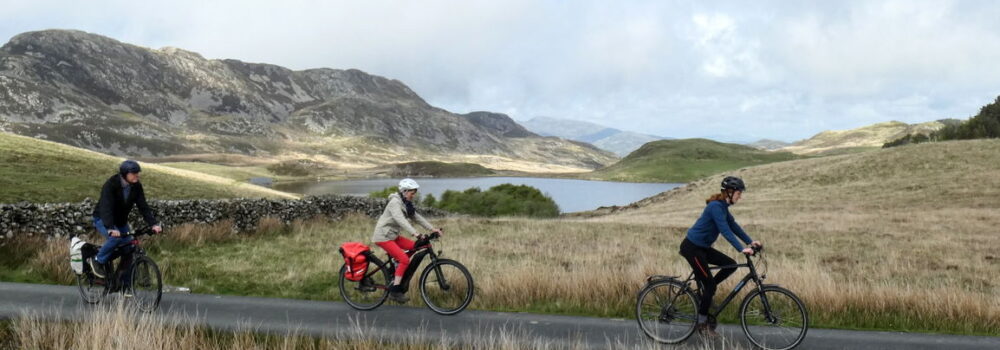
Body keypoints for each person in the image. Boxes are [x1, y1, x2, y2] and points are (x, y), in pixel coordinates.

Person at [680, 176, 762, 336]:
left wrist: (751, 242)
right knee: (710, 285)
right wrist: (741, 249)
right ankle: (702, 323)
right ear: (730, 192)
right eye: (739, 193)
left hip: (703, 248)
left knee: (730, 265)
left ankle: (707, 292)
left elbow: (734, 226)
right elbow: (724, 230)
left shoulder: (723, 207)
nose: (740, 196)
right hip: (692, 248)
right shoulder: (715, 207)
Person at [87, 160, 162, 281]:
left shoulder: (136, 186)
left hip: (121, 222)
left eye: (137, 173)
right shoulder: (111, 184)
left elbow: (143, 206)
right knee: (115, 239)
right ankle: (97, 260)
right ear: (124, 174)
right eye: (133, 173)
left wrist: (153, 224)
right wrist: (110, 227)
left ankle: (123, 285)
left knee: (129, 249)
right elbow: (106, 207)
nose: (137, 175)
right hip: (103, 219)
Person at [371, 178, 442, 303]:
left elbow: (416, 217)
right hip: (383, 236)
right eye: (412, 193)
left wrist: (432, 229)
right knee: (404, 259)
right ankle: (395, 290)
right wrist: (415, 233)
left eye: (414, 193)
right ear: (404, 191)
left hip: (393, 236)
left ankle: (394, 271)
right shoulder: (395, 202)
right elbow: (400, 220)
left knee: (415, 246)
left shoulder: (406, 203)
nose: (413, 195)